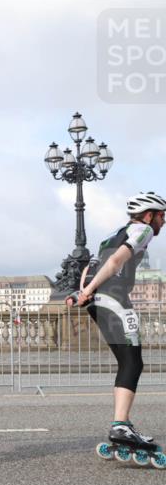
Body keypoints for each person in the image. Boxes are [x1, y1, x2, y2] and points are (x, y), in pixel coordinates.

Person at [68, 191, 166, 468]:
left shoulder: (114, 233)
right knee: (132, 361)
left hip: (98, 301)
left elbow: (92, 263)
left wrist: (82, 292)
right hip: (114, 299)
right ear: (149, 215)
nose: (163, 221)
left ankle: (122, 424)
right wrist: (88, 290)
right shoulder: (143, 230)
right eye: (161, 216)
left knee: (128, 361)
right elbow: (113, 263)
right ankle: (121, 425)